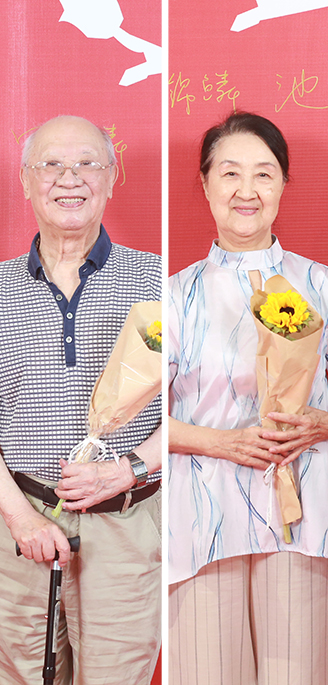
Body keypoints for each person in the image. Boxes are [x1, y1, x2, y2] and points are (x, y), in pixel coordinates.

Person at [167, 112, 328, 684]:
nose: (247, 190)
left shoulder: (322, 284)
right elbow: (140, 420)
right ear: (205, 183)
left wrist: (323, 423)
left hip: (301, 519)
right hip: (202, 518)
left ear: (283, 184)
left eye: (264, 174)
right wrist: (223, 443)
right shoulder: (175, 295)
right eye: (230, 173)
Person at [0, 114, 162, 684]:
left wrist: (129, 468)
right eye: (51, 164)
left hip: (126, 525)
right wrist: (20, 517)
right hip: (19, 529)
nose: (70, 178)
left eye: (88, 163)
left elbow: (192, 409)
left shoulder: (158, 281)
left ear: (112, 177)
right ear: (25, 180)